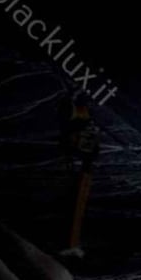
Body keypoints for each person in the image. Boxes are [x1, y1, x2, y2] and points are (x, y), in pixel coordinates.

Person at [59, 91, 100, 254]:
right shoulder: (83, 120)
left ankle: (71, 242)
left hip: (81, 162)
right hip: (82, 162)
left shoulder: (82, 119)